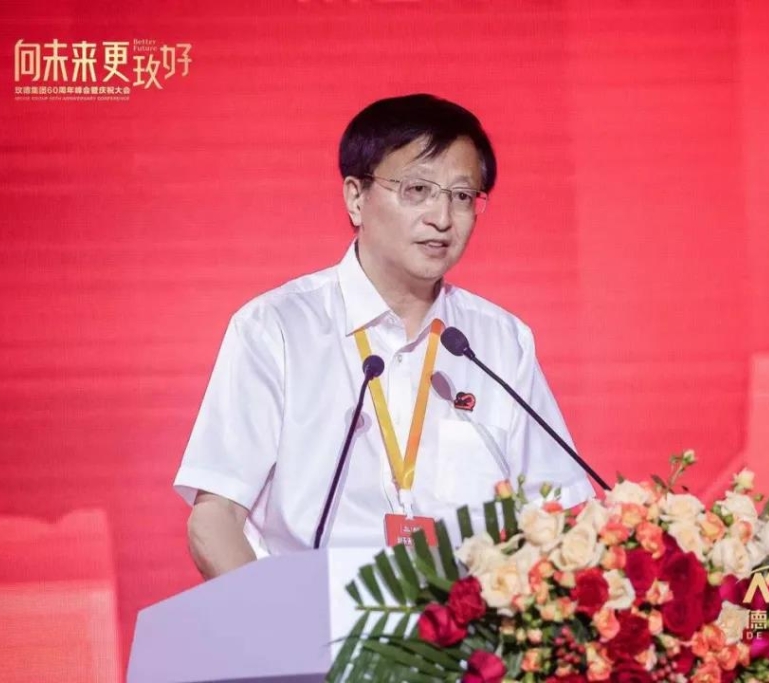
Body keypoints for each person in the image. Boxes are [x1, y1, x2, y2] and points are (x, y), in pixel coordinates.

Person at [174, 94, 595, 579]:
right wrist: (272, 621)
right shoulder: (277, 328)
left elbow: (561, 513)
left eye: (462, 196)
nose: (442, 217)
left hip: (472, 621)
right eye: (417, 189)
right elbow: (215, 519)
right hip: (315, 616)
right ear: (356, 197)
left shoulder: (500, 342)